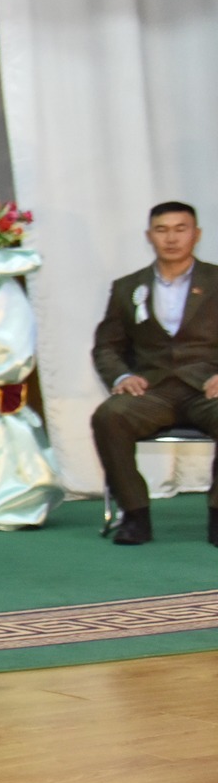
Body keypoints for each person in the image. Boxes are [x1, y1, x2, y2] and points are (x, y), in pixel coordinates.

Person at [90, 201, 218, 547]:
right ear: (149, 236)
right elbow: (106, 347)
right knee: (109, 416)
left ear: (196, 234)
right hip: (152, 390)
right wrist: (121, 377)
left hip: (207, 389)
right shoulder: (127, 287)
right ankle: (135, 514)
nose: (171, 238)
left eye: (180, 229)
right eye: (162, 230)